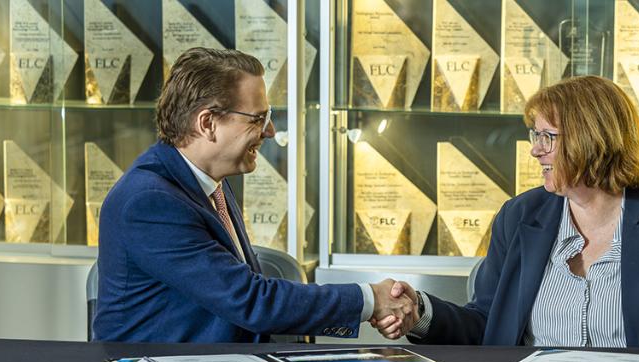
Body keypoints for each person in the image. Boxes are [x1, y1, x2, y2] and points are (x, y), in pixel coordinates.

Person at [375, 75, 639, 348]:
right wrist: (419, 311)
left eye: (546, 137)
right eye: (535, 137)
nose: (536, 151)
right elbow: (487, 323)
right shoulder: (519, 216)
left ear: (592, 139)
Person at [94, 47, 412, 342]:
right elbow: (251, 301)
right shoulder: (148, 202)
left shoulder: (210, 182)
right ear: (207, 123)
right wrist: (371, 299)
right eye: (258, 119)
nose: (270, 131)